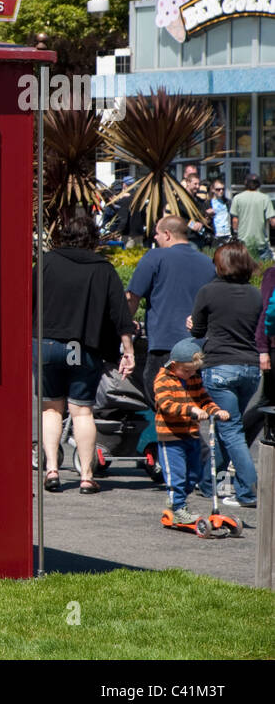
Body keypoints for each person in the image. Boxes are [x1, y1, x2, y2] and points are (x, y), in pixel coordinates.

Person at [37, 211, 136, 494]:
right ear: (93, 239)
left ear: (64, 236)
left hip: (47, 344)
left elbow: (26, 299)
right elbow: (120, 315)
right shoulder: (103, 269)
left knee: (51, 408)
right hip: (85, 346)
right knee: (81, 411)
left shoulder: (47, 262)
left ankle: (53, 470)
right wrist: (127, 351)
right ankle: (86, 476)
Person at [189, 241, 261, 509]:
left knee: (230, 429)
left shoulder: (208, 291)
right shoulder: (255, 294)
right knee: (225, 426)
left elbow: (197, 331)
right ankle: (209, 484)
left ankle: (247, 489)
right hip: (250, 368)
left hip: (219, 366)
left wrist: (192, 324)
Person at [126, 215, 216, 406]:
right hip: (197, 349)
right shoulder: (208, 263)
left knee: (163, 402)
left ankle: (176, 437)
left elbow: (131, 298)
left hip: (164, 347)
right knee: (191, 404)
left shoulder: (154, 256)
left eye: (156, 234)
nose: (155, 239)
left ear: (167, 234)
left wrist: (125, 325)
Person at [153, 339, 228, 526]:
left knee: (194, 473)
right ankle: (178, 507)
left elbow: (203, 399)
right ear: (173, 364)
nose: (191, 374)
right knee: (176, 474)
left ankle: (176, 501)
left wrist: (215, 410)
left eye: (193, 370)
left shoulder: (193, 378)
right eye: (186, 371)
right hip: (170, 436)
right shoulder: (163, 379)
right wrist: (191, 410)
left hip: (191, 433)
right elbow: (167, 405)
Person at [229, 173, 274, 260]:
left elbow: (235, 221)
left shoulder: (237, 198)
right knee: (264, 271)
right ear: (259, 184)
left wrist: (235, 234)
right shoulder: (265, 198)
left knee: (244, 271)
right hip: (261, 243)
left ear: (246, 183)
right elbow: (272, 221)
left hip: (243, 243)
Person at [181, 167, 212, 249]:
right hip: (187, 238)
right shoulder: (181, 200)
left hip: (200, 237)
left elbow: (205, 217)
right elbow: (180, 217)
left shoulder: (199, 201)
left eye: (198, 184)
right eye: (195, 184)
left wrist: (205, 220)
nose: (197, 187)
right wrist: (192, 225)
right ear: (188, 182)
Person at [206, 178, 231, 246]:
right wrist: (207, 215)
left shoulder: (227, 202)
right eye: (218, 189)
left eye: (223, 189)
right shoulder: (208, 203)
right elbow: (205, 221)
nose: (221, 191)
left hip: (227, 234)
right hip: (216, 236)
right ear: (213, 189)